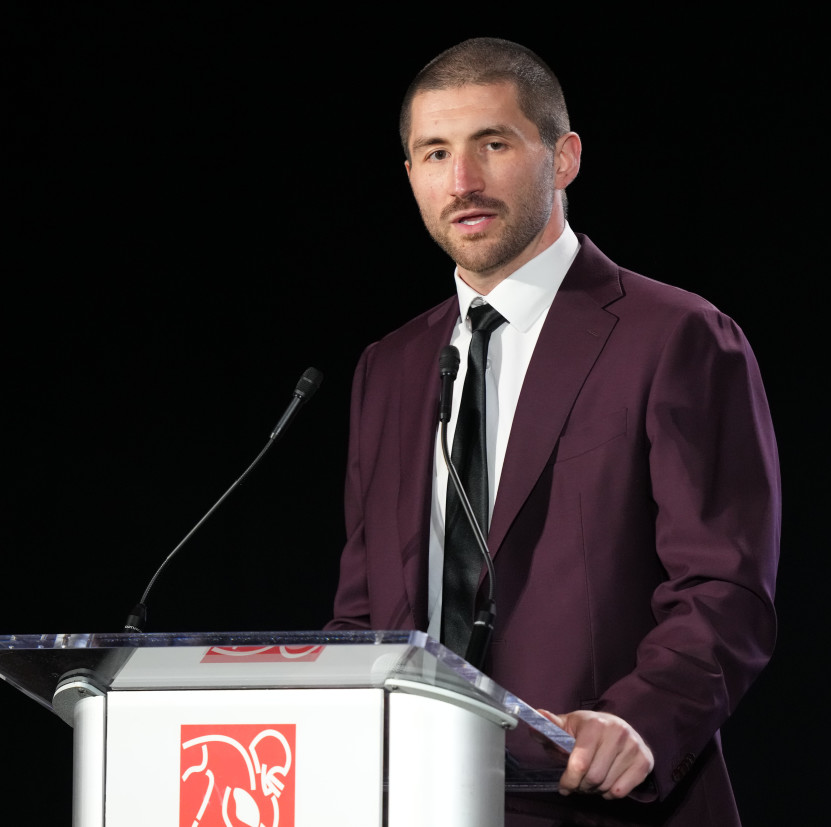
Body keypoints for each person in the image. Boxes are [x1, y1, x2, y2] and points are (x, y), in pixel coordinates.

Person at [326, 37, 780, 826]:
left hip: (600, 800)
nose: (462, 182)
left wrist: (637, 720)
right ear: (411, 175)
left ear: (563, 158)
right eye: (436, 153)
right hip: (421, 800)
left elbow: (724, 590)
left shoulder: (676, 336)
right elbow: (365, 615)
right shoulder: (389, 366)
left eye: (493, 144)